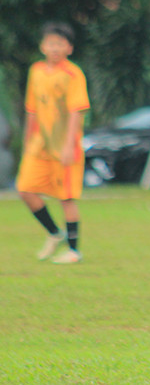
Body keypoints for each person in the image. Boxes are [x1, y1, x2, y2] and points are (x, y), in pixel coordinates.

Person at [16, 22, 90, 264]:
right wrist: (27, 140)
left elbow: (76, 111)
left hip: (64, 146)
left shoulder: (73, 74)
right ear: (42, 46)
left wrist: (69, 145)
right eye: (51, 43)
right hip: (40, 145)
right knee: (25, 189)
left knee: (66, 198)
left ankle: (73, 250)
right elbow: (32, 109)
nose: (55, 48)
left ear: (69, 48)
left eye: (60, 44)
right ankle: (53, 232)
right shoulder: (36, 71)